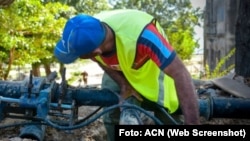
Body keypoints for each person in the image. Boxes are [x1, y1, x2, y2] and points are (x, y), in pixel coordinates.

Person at [54, 9, 200, 141]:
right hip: (120, 67)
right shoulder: (89, 32)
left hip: (151, 68)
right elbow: (98, 59)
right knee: (111, 113)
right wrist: (124, 84)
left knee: (167, 110)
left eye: (80, 55)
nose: (79, 57)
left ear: (96, 50)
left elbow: (180, 73)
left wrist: (192, 125)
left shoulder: (145, 36)